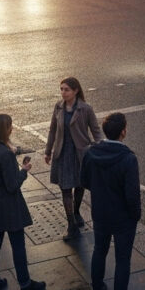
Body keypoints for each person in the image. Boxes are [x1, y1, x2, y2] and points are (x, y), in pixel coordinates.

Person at [0, 113, 46, 290]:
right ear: (4, 130)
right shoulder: (5, 154)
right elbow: (12, 185)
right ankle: (25, 284)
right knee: (18, 245)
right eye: (10, 126)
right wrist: (24, 171)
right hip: (8, 205)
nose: (12, 128)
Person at [81, 112, 143, 290]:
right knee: (122, 259)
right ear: (123, 132)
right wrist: (135, 215)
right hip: (123, 217)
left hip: (100, 212)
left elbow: (85, 181)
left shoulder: (91, 153)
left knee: (99, 250)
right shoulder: (128, 159)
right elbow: (132, 195)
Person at [44, 77, 104, 240]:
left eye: (66, 89)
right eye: (61, 89)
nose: (63, 92)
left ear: (76, 91)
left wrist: (100, 150)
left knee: (79, 185)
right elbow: (52, 130)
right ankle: (71, 226)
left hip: (80, 153)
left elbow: (96, 131)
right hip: (62, 153)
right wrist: (48, 150)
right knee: (65, 189)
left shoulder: (85, 109)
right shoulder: (58, 107)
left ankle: (76, 211)